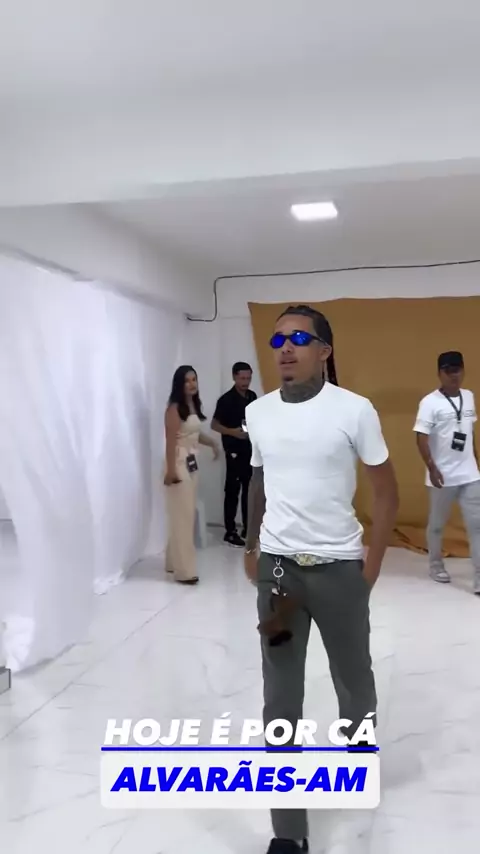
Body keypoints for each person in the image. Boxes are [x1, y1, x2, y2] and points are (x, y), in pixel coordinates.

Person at [243, 305, 398, 854]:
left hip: (338, 570)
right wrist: (254, 545)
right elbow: (258, 479)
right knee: (280, 695)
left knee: (353, 678)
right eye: (278, 340)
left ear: (325, 351)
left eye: (299, 338)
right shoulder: (259, 412)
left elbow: (386, 492)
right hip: (279, 574)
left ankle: (359, 746)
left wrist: (370, 565)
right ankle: (289, 832)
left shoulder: (354, 410)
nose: (285, 348)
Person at [414, 351, 480, 593]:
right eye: (448, 371)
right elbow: (421, 438)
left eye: (457, 370)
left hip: (470, 475)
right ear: (439, 373)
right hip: (442, 476)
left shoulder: (469, 397)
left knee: (477, 526)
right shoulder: (429, 402)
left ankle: (479, 576)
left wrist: (476, 461)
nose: (454, 375)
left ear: (463, 371)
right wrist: (431, 467)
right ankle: (435, 565)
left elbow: (470, 432)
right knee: (437, 525)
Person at [164, 366, 219, 584]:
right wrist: (170, 471)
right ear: (179, 384)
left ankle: (172, 561)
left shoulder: (192, 405)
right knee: (184, 518)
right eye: (187, 381)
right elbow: (170, 442)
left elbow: (193, 433)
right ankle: (184, 571)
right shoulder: (174, 409)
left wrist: (212, 443)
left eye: (194, 379)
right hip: (178, 463)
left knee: (183, 515)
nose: (192, 384)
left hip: (191, 463)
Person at [211, 362, 257, 547]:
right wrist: (232, 432)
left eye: (248, 378)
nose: (245, 382)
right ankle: (230, 531)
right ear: (234, 377)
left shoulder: (252, 396)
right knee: (232, 490)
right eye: (242, 378)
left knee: (249, 490)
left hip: (249, 449)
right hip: (233, 451)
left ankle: (248, 527)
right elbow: (214, 425)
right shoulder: (226, 400)